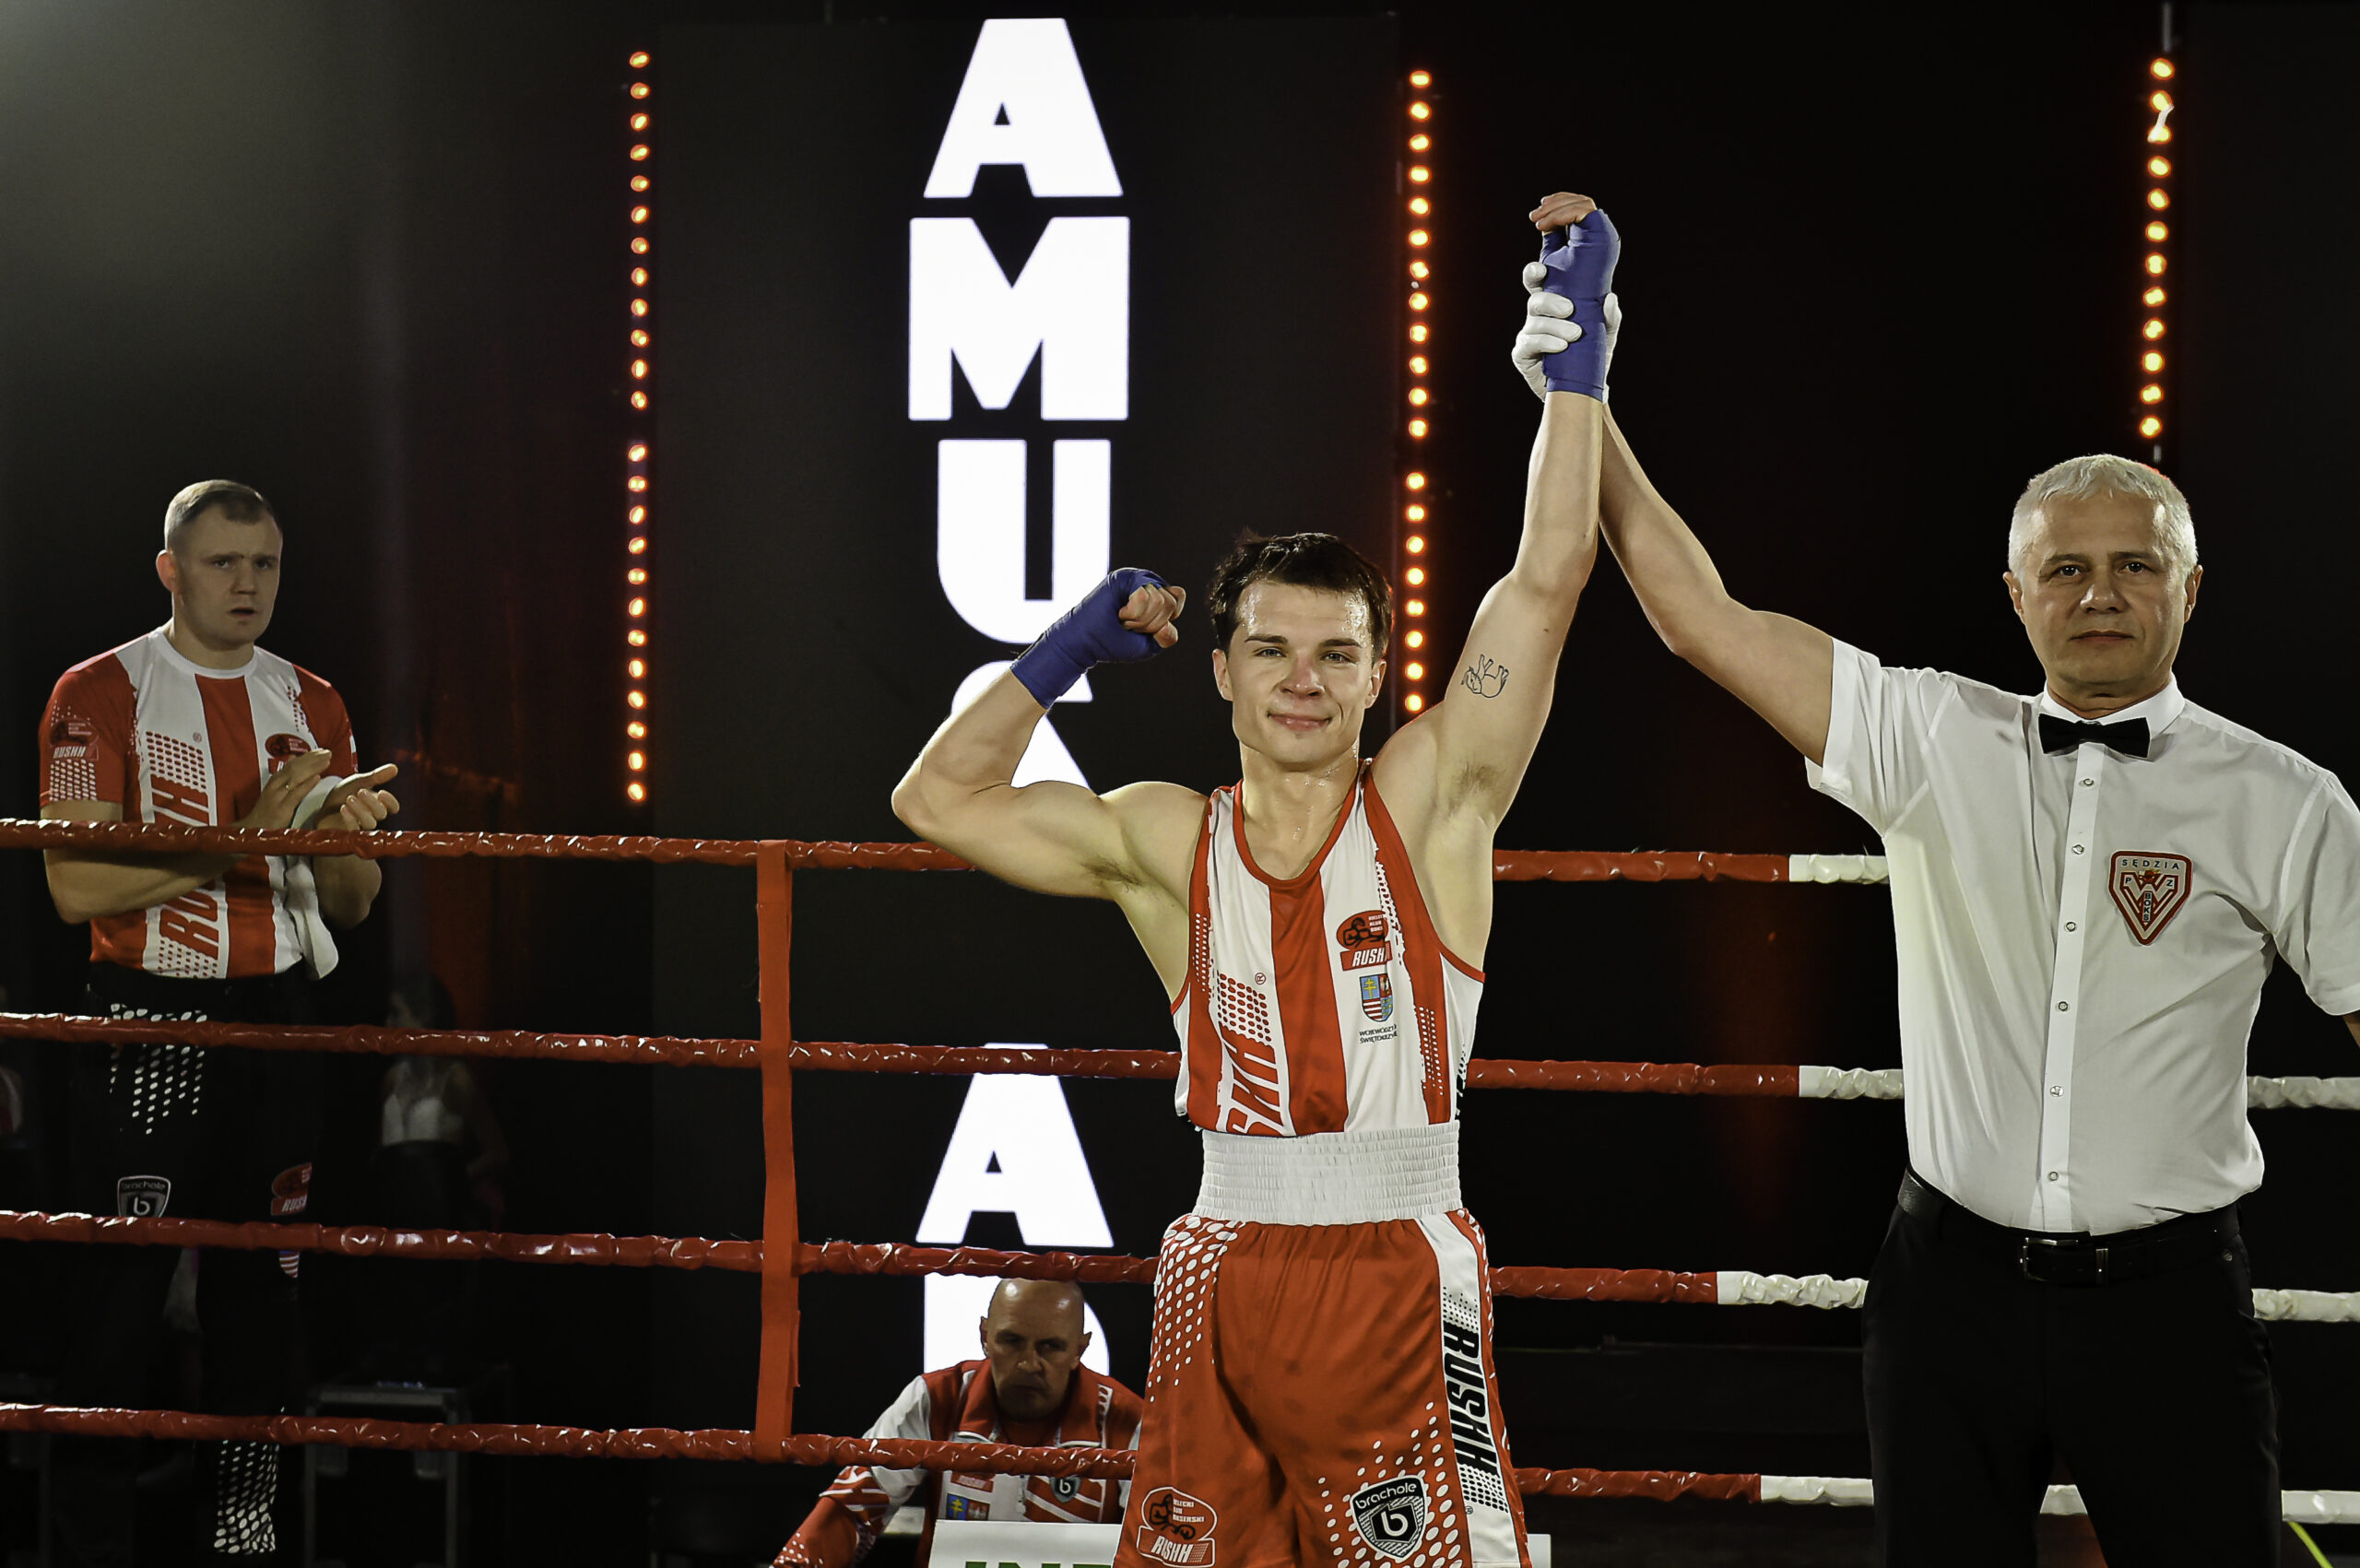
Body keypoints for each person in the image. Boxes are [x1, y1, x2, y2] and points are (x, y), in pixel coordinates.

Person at [1510, 191, 2360, 1567]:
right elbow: (1697, 616)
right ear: (2016, 596)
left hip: (2170, 1304)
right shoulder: (1929, 733)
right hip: (1949, 1291)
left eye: (2133, 567)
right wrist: (1581, 388)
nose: (2098, 594)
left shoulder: (2286, 799)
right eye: (2064, 569)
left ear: (2190, 590)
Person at [893, 197, 1621, 1568]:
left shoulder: (1432, 801)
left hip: (1395, 1264)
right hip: (1217, 1265)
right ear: (1220, 671)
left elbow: (1547, 578)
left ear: (1378, 675)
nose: (1303, 681)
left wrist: (1576, 362)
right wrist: (1062, 650)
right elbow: (937, 799)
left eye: (1336, 654)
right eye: (1272, 652)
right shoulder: (1166, 838)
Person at [38, 479, 401, 1564]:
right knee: (116, 1313)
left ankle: (246, 1549)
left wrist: (337, 837)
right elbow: (75, 886)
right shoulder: (99, 690)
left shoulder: (313, 700)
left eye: (265, 563)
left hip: (280, 1018)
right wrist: (245, 840)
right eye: (222, 562)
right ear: (172, 570)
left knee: (262, 1317)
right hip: (148, 1018)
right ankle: (88, 1552)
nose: (247, 584)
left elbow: (353, 905)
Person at [776, 1280, 1143, 1568]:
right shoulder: (937, 1398)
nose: (1029, 1363)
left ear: (1079, 1349)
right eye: (1012, 1341)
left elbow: (1154, 1546)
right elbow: (851, 1508)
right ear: (985, 1336)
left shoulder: (1128, 1421)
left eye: (1050, 1347)